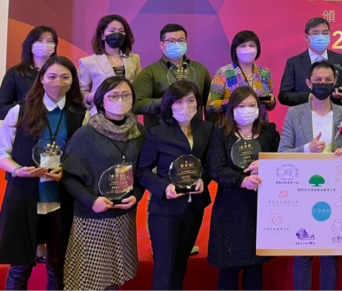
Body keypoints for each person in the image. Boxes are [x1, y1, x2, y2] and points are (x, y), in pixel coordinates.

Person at [0, 56, 87, 290]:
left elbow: (85, 157)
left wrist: (67, 171)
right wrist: (18, 170)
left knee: (58, 266)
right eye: (52, 76)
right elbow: (2, 152)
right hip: (24, 194)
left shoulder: (81, 114)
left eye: (65, 77)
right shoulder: (19, 111)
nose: (58, 82)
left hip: (62, 198)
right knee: (20, 267)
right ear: (41, 79)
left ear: (73, 81)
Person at [61, 77, 146, 290]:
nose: (120, 100)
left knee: (115, 276)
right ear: (101, 100)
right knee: (92, 279)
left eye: (126, 95)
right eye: (113, 96)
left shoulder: (139, 132)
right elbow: (69, 176)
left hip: (124, 213)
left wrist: (137, 195)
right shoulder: (86, 134)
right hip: (93, 215)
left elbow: (143, 172)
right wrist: (91, 201)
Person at [278, 61, 342, 290]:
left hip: (335, 190)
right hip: (303, 191)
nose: (323, 84)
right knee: (303, 254)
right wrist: (306, 149)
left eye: (328, 80)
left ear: (335, 82)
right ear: (309, 83)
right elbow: (282, 153)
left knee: (330, 254)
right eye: (318, 80)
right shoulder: (294, 113)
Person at [135, 80, 213, 290]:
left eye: (191, 100)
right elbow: (142, 171)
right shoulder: (158, 133)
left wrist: (203, 180)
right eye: (178, 102)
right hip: (165, 210)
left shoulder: (206, 129)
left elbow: (210, 164)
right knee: (165, 268)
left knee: (180, 265)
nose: (185, 106)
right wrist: (164, 188)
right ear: (169, 105)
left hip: (194, 208)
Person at [207, 86, 280, 290]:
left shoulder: (269, 132)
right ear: (231, 109)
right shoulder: (221, 134)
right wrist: (241, 180)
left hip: (260, 206)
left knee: (255, 267)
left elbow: (282, 160)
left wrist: (266, 165)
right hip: (230, 207)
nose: (246, 110)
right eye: (241, 106)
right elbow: (216, 168)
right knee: (229, 269)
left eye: (251, 105)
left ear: (259, 108)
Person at [132, 23, 212, 130]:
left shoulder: (200, 69)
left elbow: (210, 103)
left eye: (181, 40)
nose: (177, 44)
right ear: (161, 45)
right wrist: (167, 101)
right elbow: (136, 105)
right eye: (171, 41)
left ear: (186, 43)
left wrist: (212, 129)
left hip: (195, 131)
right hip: (162, 133)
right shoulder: (150, 72)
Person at [278, 17, 342, 107]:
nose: (321, 37)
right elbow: (284, 95)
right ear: (306, 37)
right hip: (303, 113)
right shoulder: (294, 63)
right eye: (316, 33)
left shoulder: (340, 59)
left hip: (334, 112)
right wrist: (309, 97)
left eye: (325, 33)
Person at [78, 14, 142, 115]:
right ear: (102, 35)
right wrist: (101, 94)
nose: (117, 34)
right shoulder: (88, 62)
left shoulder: (134, 59)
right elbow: (81, 95)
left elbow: (140, 87)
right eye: (112, 31)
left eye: (121, 31)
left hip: (128, 114)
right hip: (101, 115)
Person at [207, 30, 276, 122]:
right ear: (235, 50)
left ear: (257, 49)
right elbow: (210, 107)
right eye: (243, 46)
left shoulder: (265, 73)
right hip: (231, 127)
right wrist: (233, 102)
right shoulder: (223, 73)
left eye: (252, 45)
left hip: (260, 126)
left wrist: (271, 100)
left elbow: (270, 106)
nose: (248, 49)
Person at [0, 26, 58, 119]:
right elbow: (2, 110)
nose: (45, 45)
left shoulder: (61, 72)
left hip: (56, 121)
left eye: (50, 41)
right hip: (26, 123)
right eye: (39, 40)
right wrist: (30, 106)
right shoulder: (15, 73)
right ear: (30, 45)